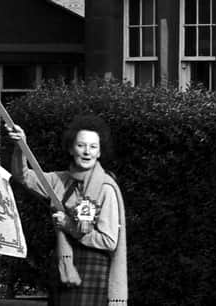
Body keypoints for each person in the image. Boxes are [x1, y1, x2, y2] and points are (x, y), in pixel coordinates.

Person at [7, 115, 127, 306]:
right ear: (71, 149)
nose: (87, 152)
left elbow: (109, 241)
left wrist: (69, 226)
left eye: (93, 147)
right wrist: (20, 145)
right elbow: (23, 176)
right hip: (63, 271)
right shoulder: (59, 180)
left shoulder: (106, 188)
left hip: (93, 272)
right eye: (81, 146)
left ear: (100, 152)